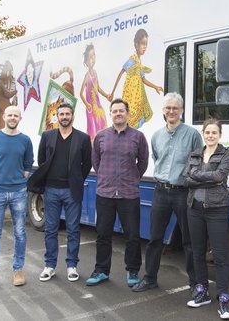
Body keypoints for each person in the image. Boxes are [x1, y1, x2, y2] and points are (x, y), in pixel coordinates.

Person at [132, 92, 202, 293]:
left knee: (189, 241)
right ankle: (150, 278)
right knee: (154, 239)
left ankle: (195, 283)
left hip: (183, 193)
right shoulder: (156, 136)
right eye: (168, 108)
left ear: (181, 111)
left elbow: (197, 164)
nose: (171, 111)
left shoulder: (192, 135)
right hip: (161, 192)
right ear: (163, 111)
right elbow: (157, 160)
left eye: (175, 108)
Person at [86, 98, 149, 286]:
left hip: (129, 194)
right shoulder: (101, 136)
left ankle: (132, 271)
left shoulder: (138, 137)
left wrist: (132, 177)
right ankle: (101, 270)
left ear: (128, 114)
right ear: (111, 114)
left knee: (132, 235)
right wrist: (106, 176)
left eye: (121, 111)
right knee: (103, 234)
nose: (118, 114)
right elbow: (96, 161)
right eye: (115, 111)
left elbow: (143, 162)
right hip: (104, 194)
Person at [27, 103, 92, 282]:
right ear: (57, 116)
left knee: (73, 230)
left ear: (72, 116)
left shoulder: (83, 138)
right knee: (50, 230)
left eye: (67, 114)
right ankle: (50, 265)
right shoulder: (48, 136)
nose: (64, 116)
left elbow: (87, 164)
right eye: (61, 114)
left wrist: (77, 180)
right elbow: (42, 160)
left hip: (72, 191)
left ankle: (72, 266)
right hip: (51, 190)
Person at [183, 118, 229, 320]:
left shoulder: (226, 153)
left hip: (217, 209)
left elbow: (220, 176)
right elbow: (185, 179)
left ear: (219, 135)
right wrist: (204, 176)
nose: (210, 135)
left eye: (214, 132)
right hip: (194, 209)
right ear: (203, 134)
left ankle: (223, 300)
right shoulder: (195, 154)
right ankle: (202, 291)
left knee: (220, 258)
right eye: (207, 132)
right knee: (197, 253)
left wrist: (197, 175)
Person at [0, 105, 34, 288]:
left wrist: (22, 178)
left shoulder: (25, 140)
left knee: (20, 233)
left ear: (20, 118)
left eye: (16, 115)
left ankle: (18, 270)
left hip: (19, 192)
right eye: (10, 114)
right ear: (4, 116)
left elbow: (29, 163)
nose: (12, 118)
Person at [110, 28, 163, 129]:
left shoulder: (138, 61)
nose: (145, 47)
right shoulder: (132, 60)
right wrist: (112, 92)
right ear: (136, 44)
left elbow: (143, 79)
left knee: (138, 116)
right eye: (143, 43)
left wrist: (155, 87)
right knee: (130, 117)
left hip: (138, 95)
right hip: (131, 95)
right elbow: (120, 74)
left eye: (146, 44)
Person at [80, 43, 111, 142]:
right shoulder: (87, 76)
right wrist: (87, 104)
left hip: (98, 106)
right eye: (90, 57)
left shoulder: (96, 73)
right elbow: (80, 93)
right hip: (91, 109)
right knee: (93, 130)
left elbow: (98, 88)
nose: (92, 59)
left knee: (102, 123)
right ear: (86, 61)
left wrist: (106, 95)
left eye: (94, 55)